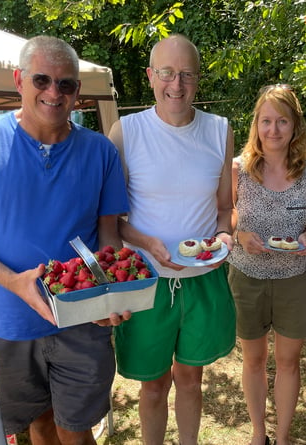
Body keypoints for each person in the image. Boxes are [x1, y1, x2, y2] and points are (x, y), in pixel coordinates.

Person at [0, 36, 130, 445]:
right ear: (19, 80)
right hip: (9, 321)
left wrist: (111, 293)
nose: (54, 92)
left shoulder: (100, 152)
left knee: (76, 432)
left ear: (78, 91)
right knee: (38, 424)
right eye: (42, 79)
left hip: (80, 320)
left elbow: (108, 235)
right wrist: (13, 282)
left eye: (67, 84)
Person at [108, 34, 237, 445]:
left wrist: (224, 238)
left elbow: (222, 210)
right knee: (153, 385)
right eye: (166, 73)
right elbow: (112, 218)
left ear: (198, 79)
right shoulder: (125, 132)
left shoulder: (219, 130)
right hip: (146, 281)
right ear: (150, 76)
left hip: (201, 279)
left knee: (191, 380)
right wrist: (147, 242)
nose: (176, 85)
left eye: (186, 75)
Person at [227, 84, 306, 445]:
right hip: (246, 275)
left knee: (288, 361)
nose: (274, 130)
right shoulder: (237, 168)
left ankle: (282, 437)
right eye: (266, 121)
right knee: (253, 359)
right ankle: (258, 433)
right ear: (256, 125)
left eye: (282, 121)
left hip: (294, 279)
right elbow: (228, 213)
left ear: (295, 125)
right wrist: (240, 235)